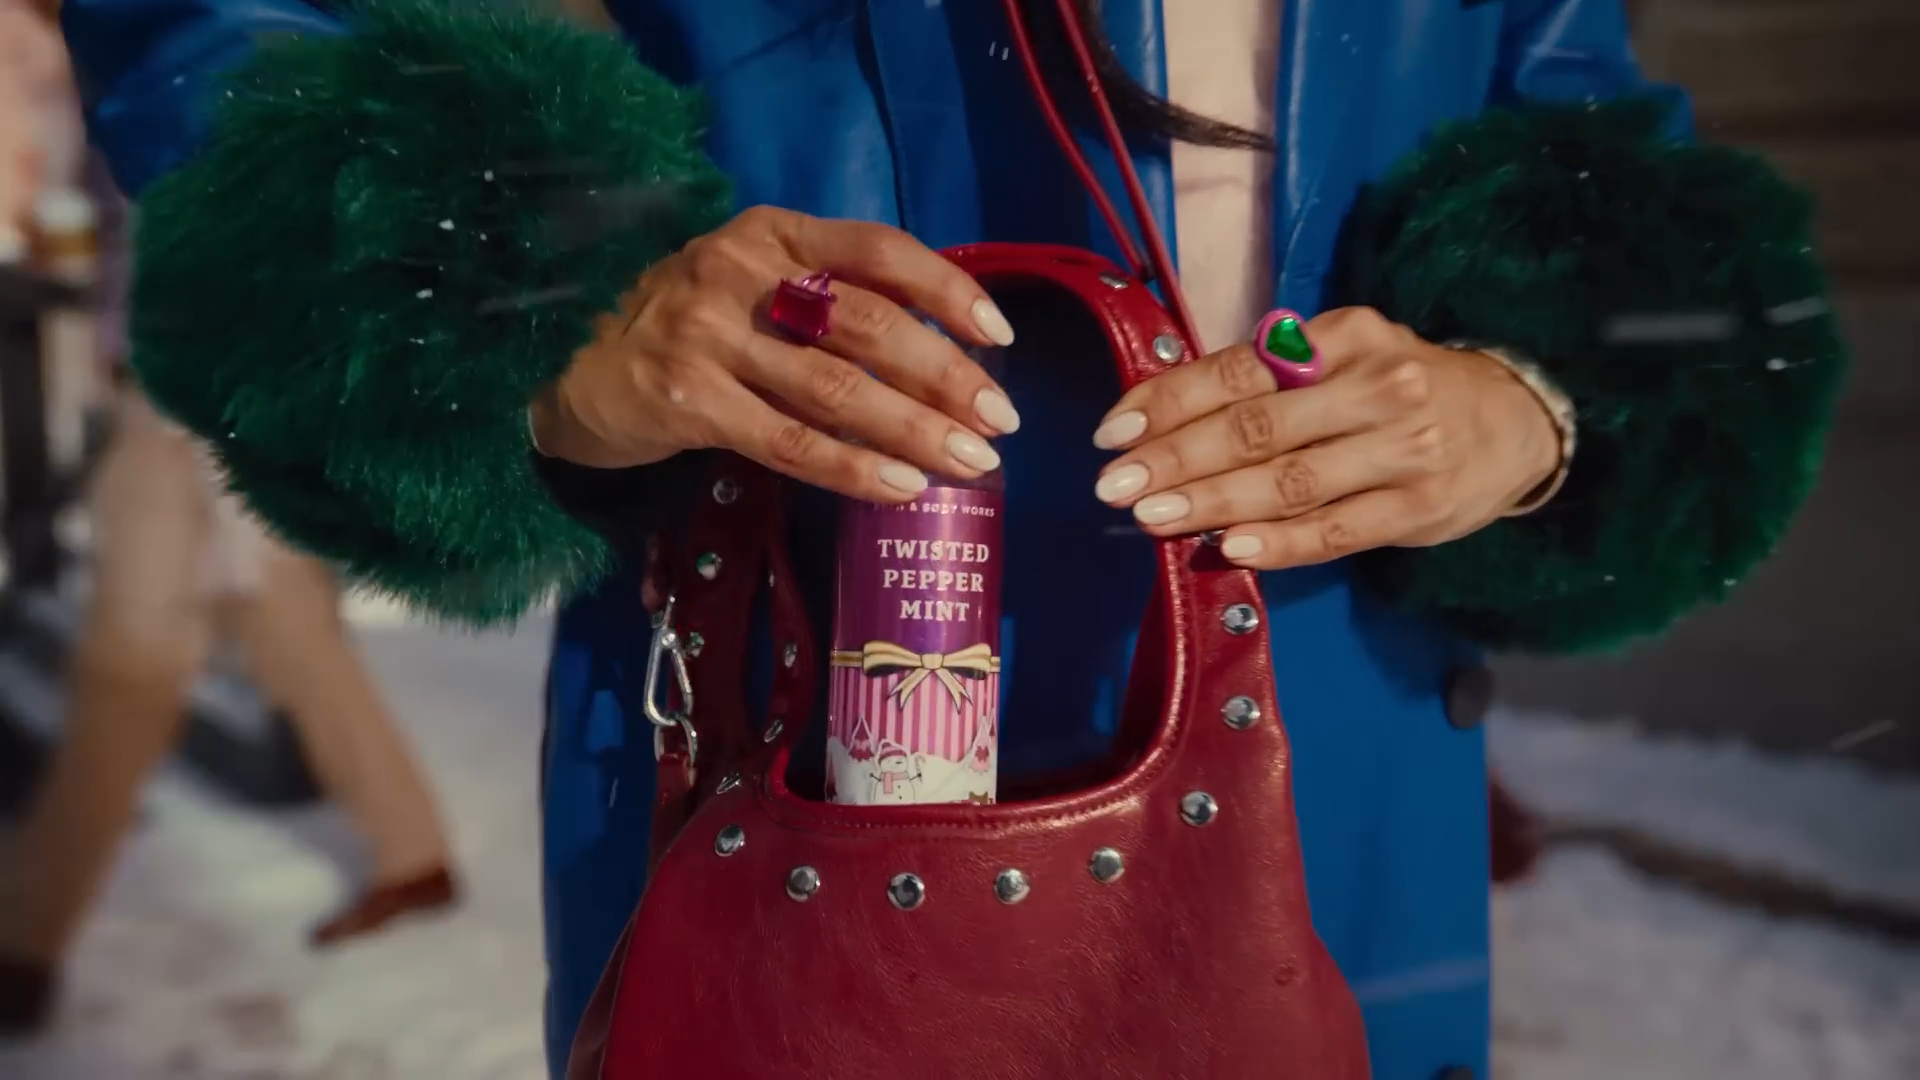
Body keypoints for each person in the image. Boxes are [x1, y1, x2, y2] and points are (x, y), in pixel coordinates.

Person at [48, 0, 1846, 1076]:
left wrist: (1530, 404)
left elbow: (1598, 136)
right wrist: (535, 301)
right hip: (798, 742)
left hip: (1337, 764)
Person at [0, 9, 459, 1033]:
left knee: (148, 654)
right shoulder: (97, 44)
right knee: (270, 635)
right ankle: (413, 853)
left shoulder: (167, 42)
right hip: (186, 376)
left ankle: (25, 946)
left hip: (207, 384)